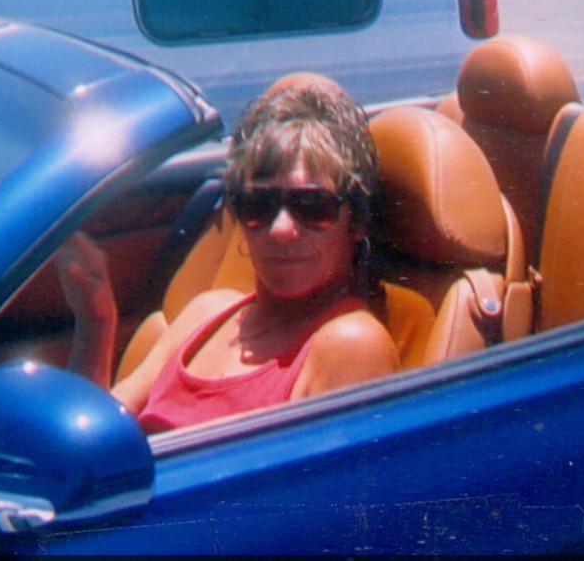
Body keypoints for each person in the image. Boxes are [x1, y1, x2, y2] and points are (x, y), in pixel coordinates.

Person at [55, 81, 400, 434]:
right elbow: (95, 440)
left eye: (311, 206)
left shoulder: (349, 344)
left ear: (357, 220)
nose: (280, 229)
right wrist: (96, 322)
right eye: (258, 205)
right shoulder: (207, 313)